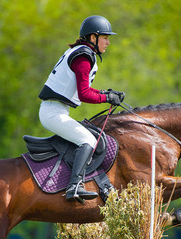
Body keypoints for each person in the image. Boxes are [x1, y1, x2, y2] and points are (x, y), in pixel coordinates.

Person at [38, 15, 125, 203]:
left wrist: (105, 93)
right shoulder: (84, 57)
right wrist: (106, 98)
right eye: (105, 38)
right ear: (93, 38)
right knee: (87, 140)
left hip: (56, 111)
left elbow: (84, 89)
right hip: (53, 112)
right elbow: (84, 94)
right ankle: (74, 186)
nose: (108, 42)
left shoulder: (82, 53)